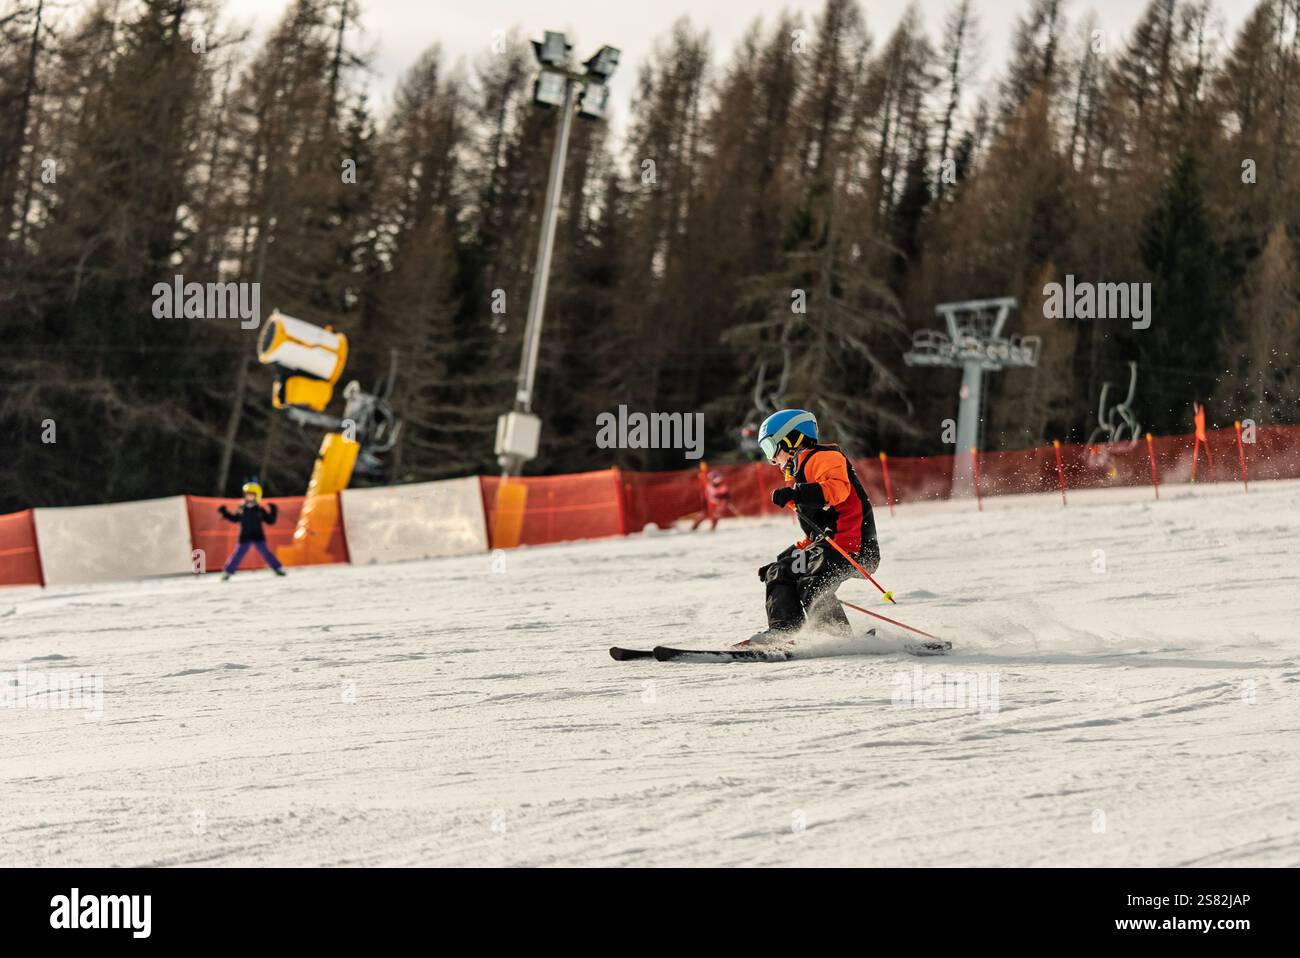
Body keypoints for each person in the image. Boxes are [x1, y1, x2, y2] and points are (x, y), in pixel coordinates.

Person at [748, 409, 879, 644]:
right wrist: (789, 556)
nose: (771, 459)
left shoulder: (824, 458)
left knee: (797, 578)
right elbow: (816, 532)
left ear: (792, 439)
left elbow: (838, 490)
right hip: (832, 546)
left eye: (770, 448)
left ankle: (809, 635)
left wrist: (796, 494)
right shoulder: (802, 472)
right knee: (791, 576)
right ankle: (809, 633)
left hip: (852, 548)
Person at [218, 480, 286, 580]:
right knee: (238, 554)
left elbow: (270, 521)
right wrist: (225, 513)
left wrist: (273, 510)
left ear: (257, 496)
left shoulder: (259, 510)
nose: (248, 497)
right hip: (245, 535)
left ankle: (278, 568)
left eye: (251, 495)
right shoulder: (242, 508)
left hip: (258, 535)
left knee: (265, 553)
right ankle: (227, 572)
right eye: (247, 495)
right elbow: (235, 519)